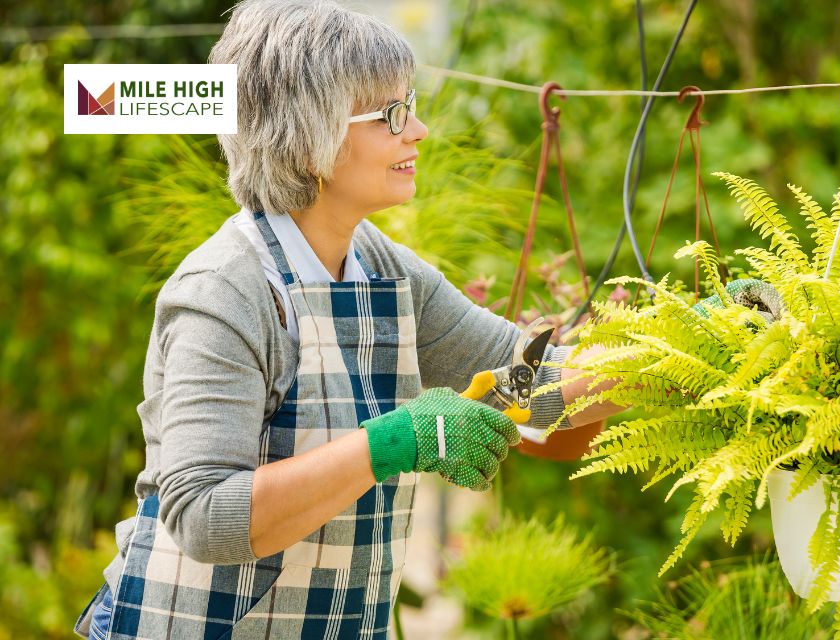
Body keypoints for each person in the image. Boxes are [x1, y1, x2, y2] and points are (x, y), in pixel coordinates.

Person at [73, 1, 619, 638]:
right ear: (309, 137)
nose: (418, 131)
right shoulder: (225, 290)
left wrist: (690, 352)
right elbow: (203, 516)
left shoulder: (384, 268)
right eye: (391, 115)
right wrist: (396, 441)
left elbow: (533, 382)